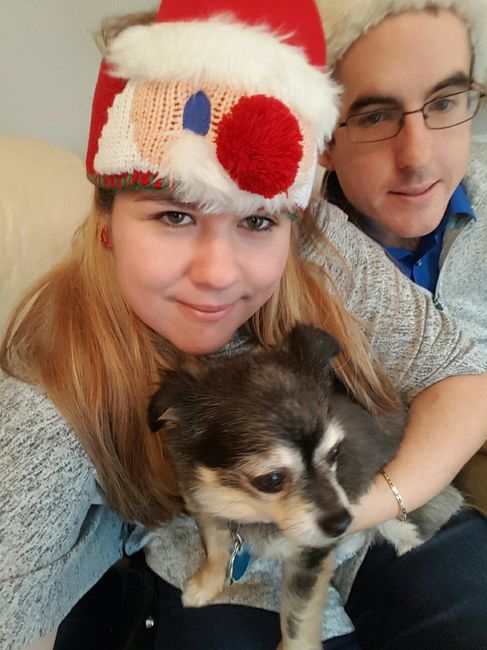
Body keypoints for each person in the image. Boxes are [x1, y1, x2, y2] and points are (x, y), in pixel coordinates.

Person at [1, 1, 487, 650]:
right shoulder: (46, 405)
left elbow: (462, 375)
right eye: (175, 215)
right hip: (207, 575)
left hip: (373, 512)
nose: (218, 273)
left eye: (257, 220)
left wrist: (354, 512)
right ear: (106, 221)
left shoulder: (318, 249)